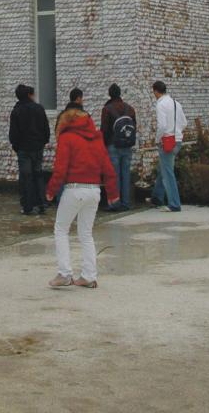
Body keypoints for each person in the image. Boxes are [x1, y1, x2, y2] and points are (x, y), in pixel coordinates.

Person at [45, 107, 118, 289]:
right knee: (86, 234)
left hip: (74, 190)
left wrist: (51, 190)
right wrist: (112, 193)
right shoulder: (97, 138)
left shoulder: (67, 138)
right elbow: (108, 168)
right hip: (94, 191)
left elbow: (60, 168)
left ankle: (65, 273)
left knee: (61, 229)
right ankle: (89, 276)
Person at [8, 83, 50, 215]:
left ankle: (27, 206)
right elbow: (46, 128)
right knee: (38, 174)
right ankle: (42, 203)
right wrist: (43, 142)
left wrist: (16, 146)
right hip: (37, 146)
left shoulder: (16, 111)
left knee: (26, 177)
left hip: (23, 148)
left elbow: (13, 133)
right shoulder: (39, 108)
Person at [151, 80, 187, 212]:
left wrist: (157, 139)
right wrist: (176, 131)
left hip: (166, 141)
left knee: (167, 173)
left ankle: (174, 204)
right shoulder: (176, 103)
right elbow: (184, 123)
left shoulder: (160, 104)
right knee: (164, 169)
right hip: (177, 140)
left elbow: (162, 126)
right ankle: (157, 197)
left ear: (156, 91)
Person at [100, 83, 137, 211]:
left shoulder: (107, 109)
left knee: (114, 176)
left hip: (113, 146)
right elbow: (134, 127)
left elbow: (104, 130)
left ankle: (115, 203)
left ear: (109, 94)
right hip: (127, 145)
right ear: (120, 93)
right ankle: (126, 203)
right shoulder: (130, 109)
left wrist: (104, 145)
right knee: (126, 174)